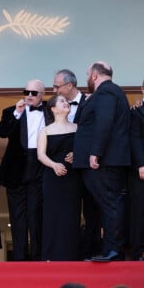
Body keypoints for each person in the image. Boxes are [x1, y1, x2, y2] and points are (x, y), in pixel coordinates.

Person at [73, 61, 131, 262]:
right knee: (107, 204)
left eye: (87, 73)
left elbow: (104, 121)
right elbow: (81, 120)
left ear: (95, 75)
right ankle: (109, 250)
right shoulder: (104, 94)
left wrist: (95, 152)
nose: (87, 77)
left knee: (110, 203)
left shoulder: (107, 92)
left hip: (104, 161)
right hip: (104, 160)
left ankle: (114, 250)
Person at [0, 79, 51, 261]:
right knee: (18, 218)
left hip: (41, 168)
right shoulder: (11, 111)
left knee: (37, 217)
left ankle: (38, 259)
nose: (29, 96)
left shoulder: (50, 111)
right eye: (26, 91)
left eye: (34, 93)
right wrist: (17, 113)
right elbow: (2, 132)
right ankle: (18, 260)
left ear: (42, 95)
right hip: (16, 171)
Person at [53, 69, 101, 260]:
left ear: (69, 85)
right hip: (65, 169)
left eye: (57, 86)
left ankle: (93, 251)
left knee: (92, 211)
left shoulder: (92, 100)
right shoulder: (54, 106)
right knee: (68, 212)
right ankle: (70, 254)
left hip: (89, 167)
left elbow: (98, 131)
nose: (55, 90)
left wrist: (81, 153)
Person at [37, 95, 82, 260]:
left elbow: (84, 149)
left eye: (66, 101)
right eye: (62, 101)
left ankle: (71, 256)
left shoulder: (78, 127)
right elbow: (41, 155)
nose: (66, 102)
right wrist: (54, 165)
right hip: (52, 177)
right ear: (53, 109)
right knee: (52, 215)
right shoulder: (46, 130)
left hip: (72, 178)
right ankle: (51, 256)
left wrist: (77, 154)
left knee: (71, 215)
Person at [129, 79, 144, 261]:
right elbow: (135, 139)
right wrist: (141, 164)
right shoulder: (136, 111)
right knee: (139, 211)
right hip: (141, 169)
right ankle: (138, 253)